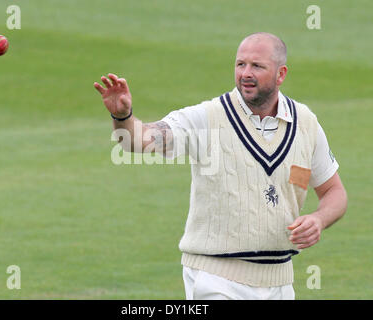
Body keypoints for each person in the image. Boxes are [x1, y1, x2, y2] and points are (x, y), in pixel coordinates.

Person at [93, 32, 348, 300]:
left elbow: (335, 192)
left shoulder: (305, 124)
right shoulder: (207, 117)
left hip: (280, 281)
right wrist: (123, 116)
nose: (245, 73)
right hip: (215, 278)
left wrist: (319, 220)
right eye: (240, 64)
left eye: (257, 66)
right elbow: (139, 141)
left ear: (280, 74)